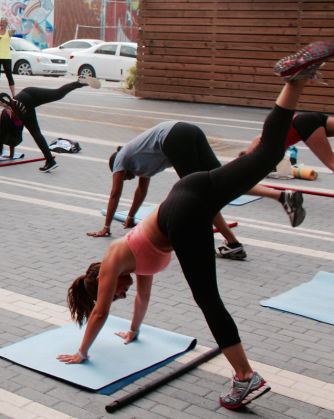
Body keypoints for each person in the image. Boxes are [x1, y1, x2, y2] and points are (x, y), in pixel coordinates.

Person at [57, 40, 331, 411]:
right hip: (191, 189)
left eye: (114, 292)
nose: (119, 295)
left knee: (208, 300)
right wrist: (135, 331)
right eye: (120, 293)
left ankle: (246, 378)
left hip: (183, 210)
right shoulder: (133, 267)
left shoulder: (111, 263)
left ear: (99, 281)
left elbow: (101, 311)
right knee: (268, 152)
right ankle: (295, 81)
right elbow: (141, 298)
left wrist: (82, 352)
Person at [91, 121, 255, 261]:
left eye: (123, 177)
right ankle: (234, 244)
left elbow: (115, 194)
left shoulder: (121, 156)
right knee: (219, 180)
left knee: (198, 195)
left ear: (118, 167)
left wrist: (106, 226)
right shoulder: (139, 162)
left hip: (175, 136)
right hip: (189, 130)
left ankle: (228, 244)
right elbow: (141, 192)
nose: (125, 179)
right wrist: (131, 217)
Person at [2, 77, 100, 172]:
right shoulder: (7, 116)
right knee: (57, 93)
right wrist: (10, 155)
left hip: (22, 104)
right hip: (28, 92)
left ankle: (50, 161)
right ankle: (78, 83)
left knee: (36, 133)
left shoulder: (7, 119)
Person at [244, 111, 334, 174]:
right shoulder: (258, 147)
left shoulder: (253, 156)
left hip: (303, 125)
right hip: (305, 118)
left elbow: (252, 174)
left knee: (332, 163)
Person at [0, 19, 15, 98]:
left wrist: (10, 22)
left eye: (4, 22)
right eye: (1, 22)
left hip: (6, 57)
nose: (2, 24)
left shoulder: (8, 32)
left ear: (6, 24)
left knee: (9, 75)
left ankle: (14, 95)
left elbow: (14, 29)